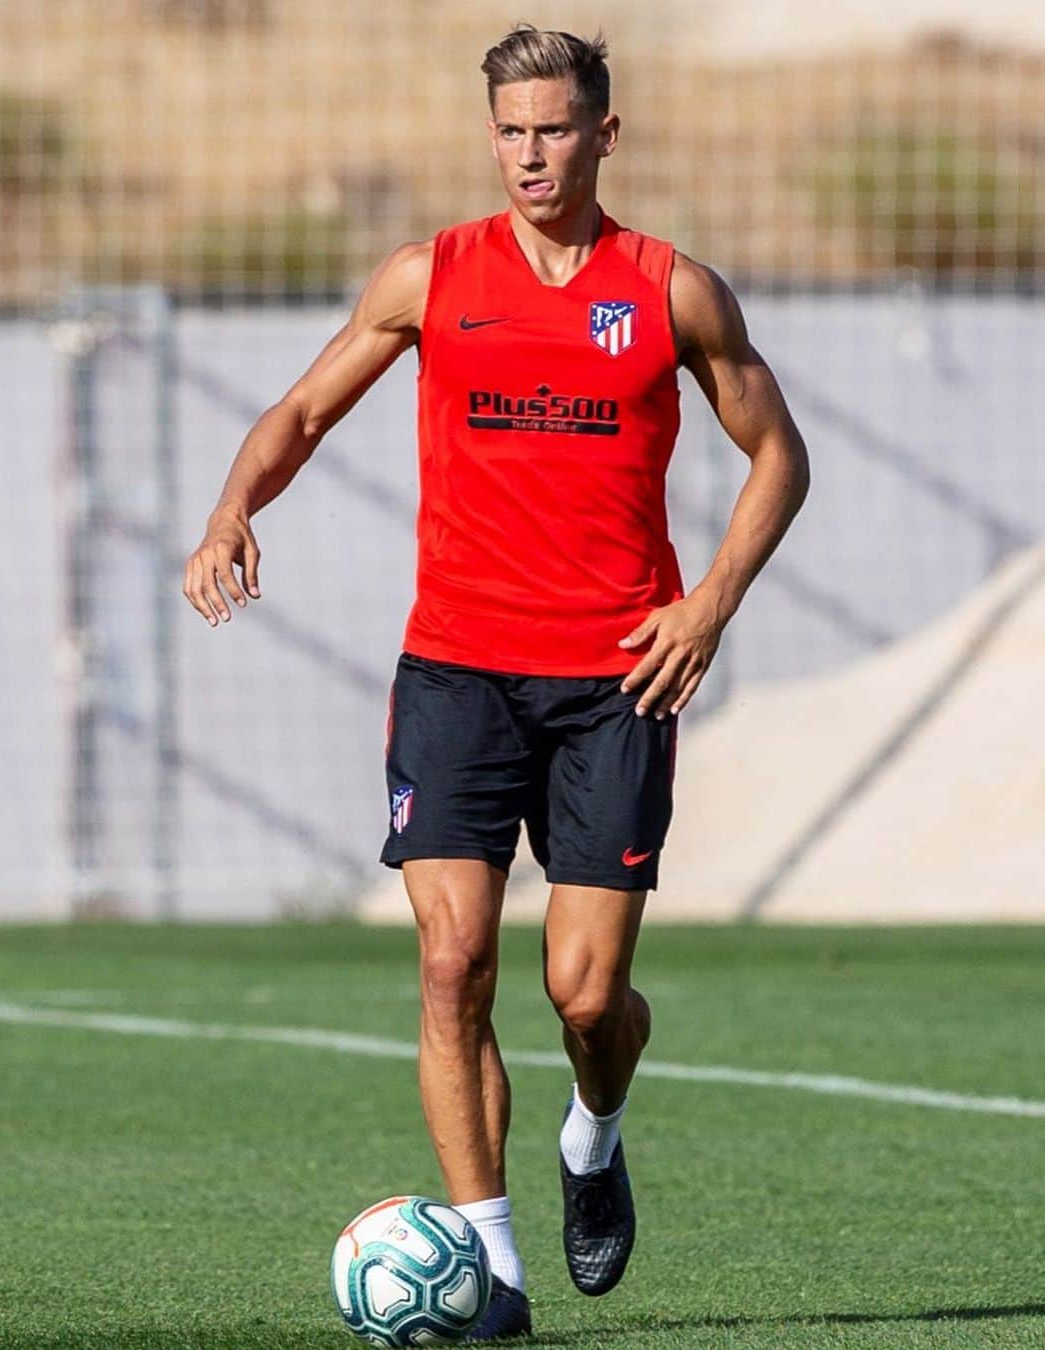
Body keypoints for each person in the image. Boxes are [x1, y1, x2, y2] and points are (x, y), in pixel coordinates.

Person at [183, 24, 810, 1342]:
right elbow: (300, 412)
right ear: (493, 137)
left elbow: (778, 456)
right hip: (457, 671)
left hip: (613, 685)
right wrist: (234, 506)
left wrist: (707, 605)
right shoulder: (432, 275)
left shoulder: (668, 291)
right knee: (450, 959)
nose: (532, 153)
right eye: (511, 131)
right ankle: (494, 1269)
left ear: (603, 135)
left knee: (584, 990)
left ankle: (597, 1127)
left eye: (556, 129)